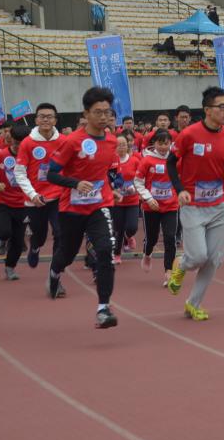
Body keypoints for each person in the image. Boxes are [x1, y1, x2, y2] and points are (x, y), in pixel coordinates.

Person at [44, 87, 122, 329]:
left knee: (106, 250)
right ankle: (55, 273)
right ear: (86, 114)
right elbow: (52, 175)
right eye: (97, 112)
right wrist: (76, 183)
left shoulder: (111, 141)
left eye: (106, 112)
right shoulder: (72, 141)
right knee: (67, 254)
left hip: (100, 205)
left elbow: (105, 171)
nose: (103, 117)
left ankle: (103, 308)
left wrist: (113, 187)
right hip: (72, 209)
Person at [165, 87, 224, 320]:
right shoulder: (189, 134)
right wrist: (179, 191)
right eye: (221, 107)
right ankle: (181, 265)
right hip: (193, 205)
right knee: (198, 256)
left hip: (219, 205)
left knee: (214, 259)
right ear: (208, 110)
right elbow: (170, 163)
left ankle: (193, 303)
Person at [15, 103, 64, 269]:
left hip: (59, 196)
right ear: (36, 119)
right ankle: (35, 247)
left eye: (49, 116)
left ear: (55, 120)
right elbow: (20, 173)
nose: (45, 119)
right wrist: (32, 194)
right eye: (42, 116)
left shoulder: (64, 141)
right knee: (40, 235)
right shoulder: (27, 143)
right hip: (36, 199)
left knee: (60, 232)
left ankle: (55, 268)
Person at [0, 124, 30, 281]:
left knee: (19, 243)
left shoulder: (32, 157)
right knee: (5, 232)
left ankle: (10, 267)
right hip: (2, 202)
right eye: (16, 142)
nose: (19, 146)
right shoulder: (1, 155)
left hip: (23, 204)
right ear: (11, 139)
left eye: (23, 143)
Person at [136, 129, 179, 283]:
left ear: (170, 144)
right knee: (152, 238)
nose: (163, 147)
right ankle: (147, 254)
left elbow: (181, 178)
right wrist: (148, 199)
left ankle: (168, 271)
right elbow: (138, 182)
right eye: (160, 143)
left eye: (166, 143)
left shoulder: (174, 159)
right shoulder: (147, 160)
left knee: (170, 237)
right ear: (154, 143)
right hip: (151, 207)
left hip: (171, 206)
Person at [111, 133, 141, 265]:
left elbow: (140, 177)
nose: (121, 147)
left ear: (128, 145)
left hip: (132, 200)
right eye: (118, 145)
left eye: (123, 144)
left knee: (132, 226)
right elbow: (108, 179)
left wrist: (135, 187)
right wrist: (114, 188)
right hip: (117, 202)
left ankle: (129, 236)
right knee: (118, 228)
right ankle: (117, 254)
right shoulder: (112, 162)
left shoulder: (134, 160)